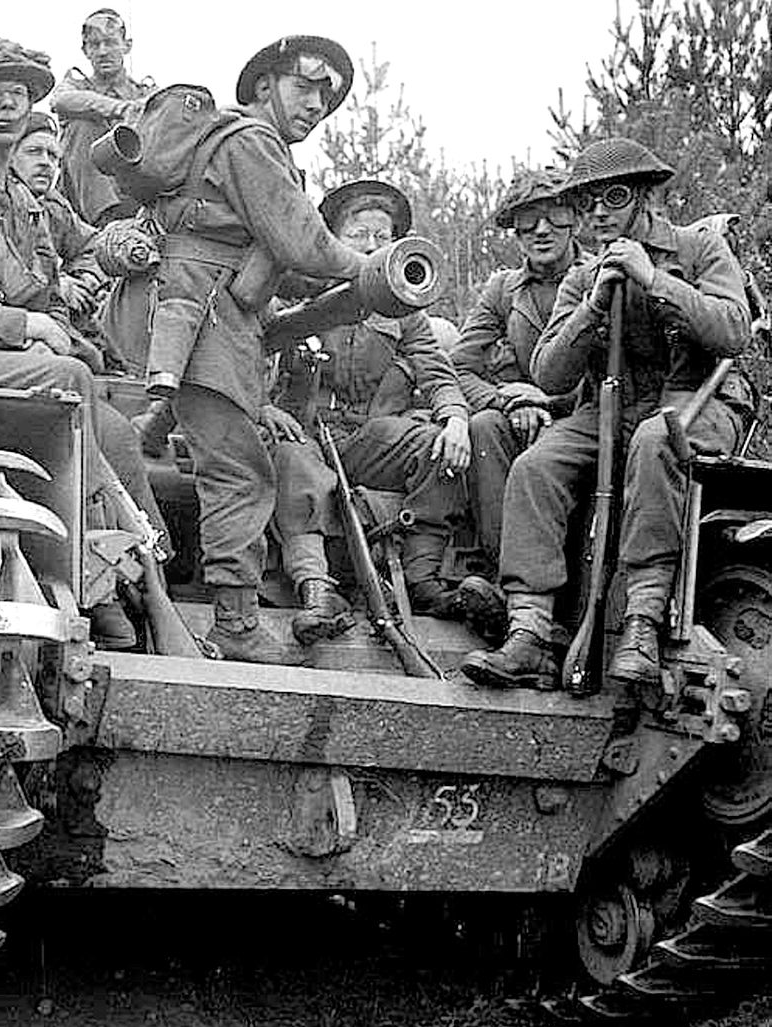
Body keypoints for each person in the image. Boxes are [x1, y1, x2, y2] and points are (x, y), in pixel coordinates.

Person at [132, 35, 411, 663]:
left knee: (231, 463)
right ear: (264, 86)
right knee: (239, 472)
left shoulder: (251, 146)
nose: (318, 103)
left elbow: (283, 261)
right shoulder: (252, 142)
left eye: (329, 95)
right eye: (305, 86)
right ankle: (233, 626)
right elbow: (307, 245)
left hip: (210, 319)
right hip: (202, 322)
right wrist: (373, 266)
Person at [0, 38, 166, 648]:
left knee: (116, 425)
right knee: (70, 382)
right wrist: (31, 332)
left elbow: (64, 270)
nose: (10, 99)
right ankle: (95, 573)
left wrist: (138, 249)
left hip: (4, 360)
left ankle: (148, 568)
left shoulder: (19, 199)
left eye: (19, 88)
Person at [462, 137, 750, 691]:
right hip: (609, 407)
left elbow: (733, 332)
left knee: (653, 439)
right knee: (537, 465)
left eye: (612, 197)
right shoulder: (582, 276)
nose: (598, 213)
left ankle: (641, 623)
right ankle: (530, 631)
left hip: (699, 400)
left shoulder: (699, 250)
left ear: (646, 198)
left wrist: (653, 280)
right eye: (587, 201)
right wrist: (594, 305)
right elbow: (549, 376)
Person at [271, 179, 471, 645]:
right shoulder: (295, 292)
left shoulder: (402, 311)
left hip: (368, 438)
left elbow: (437, 373)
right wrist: (263, 407)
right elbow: (247, 350)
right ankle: (315, 588)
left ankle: (423, 581)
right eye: (359, 234)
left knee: (434, 445)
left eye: (384, 238)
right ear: (333, 240)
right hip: (303, 431)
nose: (373, 246)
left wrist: (455, 420)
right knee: (290, 456)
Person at [447, 168, 587, 637]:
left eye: (554, 216)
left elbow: (619, 373)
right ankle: (508, 589)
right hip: (519, 418)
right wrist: (507, 403)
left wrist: (547, 401)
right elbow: (458, 366)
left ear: (575, 220)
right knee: (484, 427)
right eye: (528, 221)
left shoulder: (602, 277)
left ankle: (551, 606)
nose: (542, 230)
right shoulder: (504, 289)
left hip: (584, 415)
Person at [50, 9, 154, 226]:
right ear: (85, 50)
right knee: (82, 125)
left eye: (110, 42)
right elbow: (60, 101)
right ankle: (106, 220)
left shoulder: (145, 93)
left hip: (136, 195)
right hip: (81, 203)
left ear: (127, 46)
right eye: (94, 45)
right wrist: (121, 109)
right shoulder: (76, 86)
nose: (103, 51)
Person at [11, 110, 109, 330]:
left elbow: (93, 244)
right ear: (10, 156)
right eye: (34, 152)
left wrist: (86, 276)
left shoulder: (53, 206)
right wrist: (57, 285)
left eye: (52, 156)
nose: (45, 163)